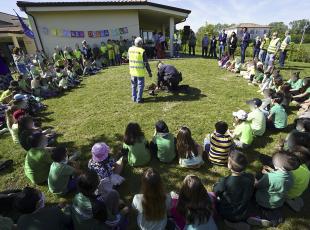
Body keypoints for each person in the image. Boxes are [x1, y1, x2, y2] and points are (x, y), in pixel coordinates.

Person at [248, 151, 295, 227]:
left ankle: (260, 218)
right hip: (278, 202)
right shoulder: (291, 176)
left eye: (274, 163)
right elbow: (280, 178)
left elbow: (257, 185)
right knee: (274, 210)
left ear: (278, 167)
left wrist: (253, 178)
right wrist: (271, 172)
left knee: (253, 188)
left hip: (263, 201)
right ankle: (277, 217)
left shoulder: (269, 177)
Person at [213, 151, 254, 229]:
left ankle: (232, 224)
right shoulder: (250, 177)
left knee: (217, 203)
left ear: (229, 166)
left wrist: (215, 185)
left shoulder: (224, 181)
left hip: (230, 214)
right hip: (246, 210)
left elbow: (215, 191)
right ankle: (249, 219)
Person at [128, 37, 152, 103]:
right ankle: (139, 99)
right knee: (140, 85)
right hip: (140, 72)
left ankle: (134, 98)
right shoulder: (142, 51)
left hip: (132, 71)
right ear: (141, 43)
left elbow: (128, 57)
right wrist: (149, 72)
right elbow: (146, 63)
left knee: (133, 85)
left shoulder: (130, 49)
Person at [286, 146, 310, 212]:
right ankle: (294, 197)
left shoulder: (291, 171)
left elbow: (281, 183)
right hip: (299, 192)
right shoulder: (305, 168)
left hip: (289, 193)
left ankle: (287, 200)